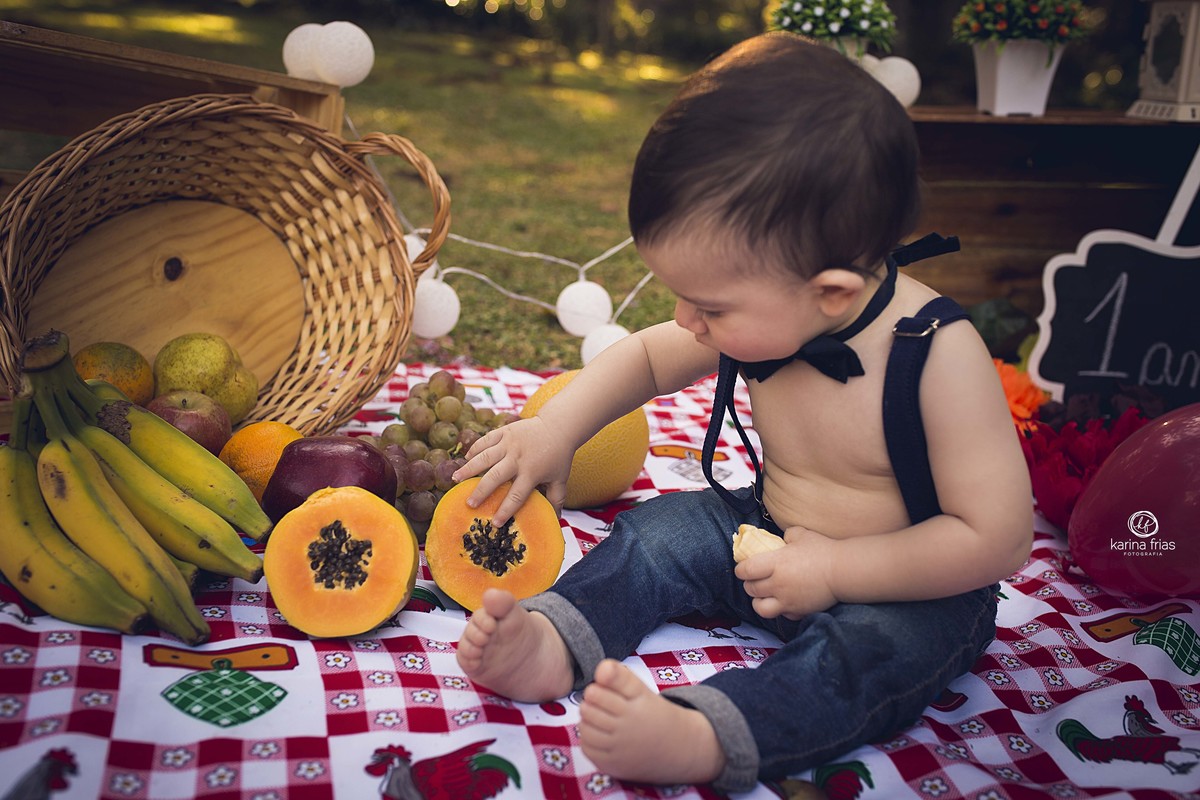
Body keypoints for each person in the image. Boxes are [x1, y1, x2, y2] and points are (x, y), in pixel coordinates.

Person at [449, 31, 1033, 793]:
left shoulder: (936, 353)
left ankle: (708, 734)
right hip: (767, 534)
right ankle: (556, 639)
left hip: (909, 584)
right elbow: (648, 357)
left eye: (711, 306)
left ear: (832, 293)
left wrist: (835, 569)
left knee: (861, 660)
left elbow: (997, 539)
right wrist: (554, 429)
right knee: (660, 532)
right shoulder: (772, 306)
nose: (688, 319)